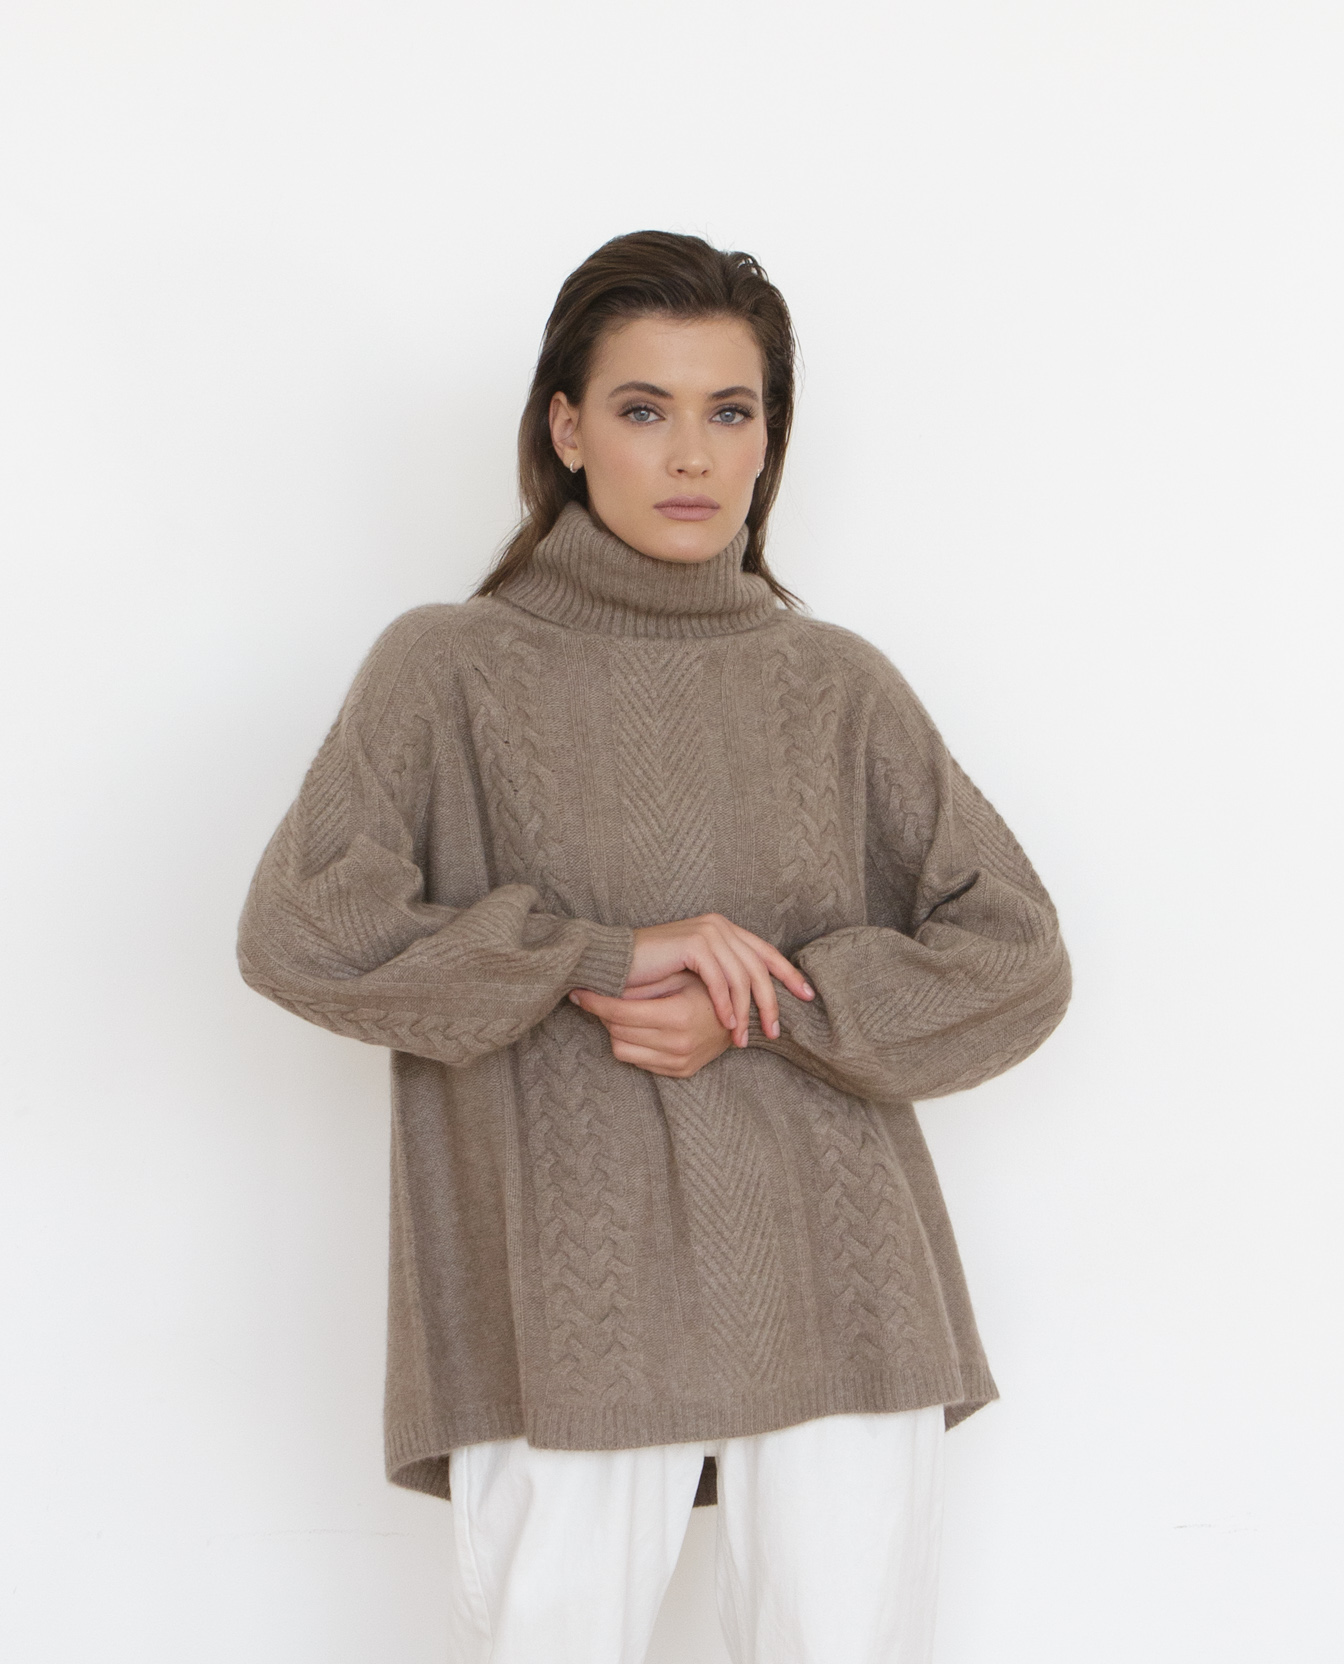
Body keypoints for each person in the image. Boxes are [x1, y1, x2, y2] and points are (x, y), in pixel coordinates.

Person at [236, 230, 1072, 1664]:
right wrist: (599, 957)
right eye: (644, 408)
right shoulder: (447, 667)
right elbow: (301, 933)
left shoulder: (834, 683)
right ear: (567, 430)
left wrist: (763, 1011)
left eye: (729, 411)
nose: (691, 454)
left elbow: (1019, 957)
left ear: (769, 439)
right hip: (564, 1297)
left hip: (841, 1284)